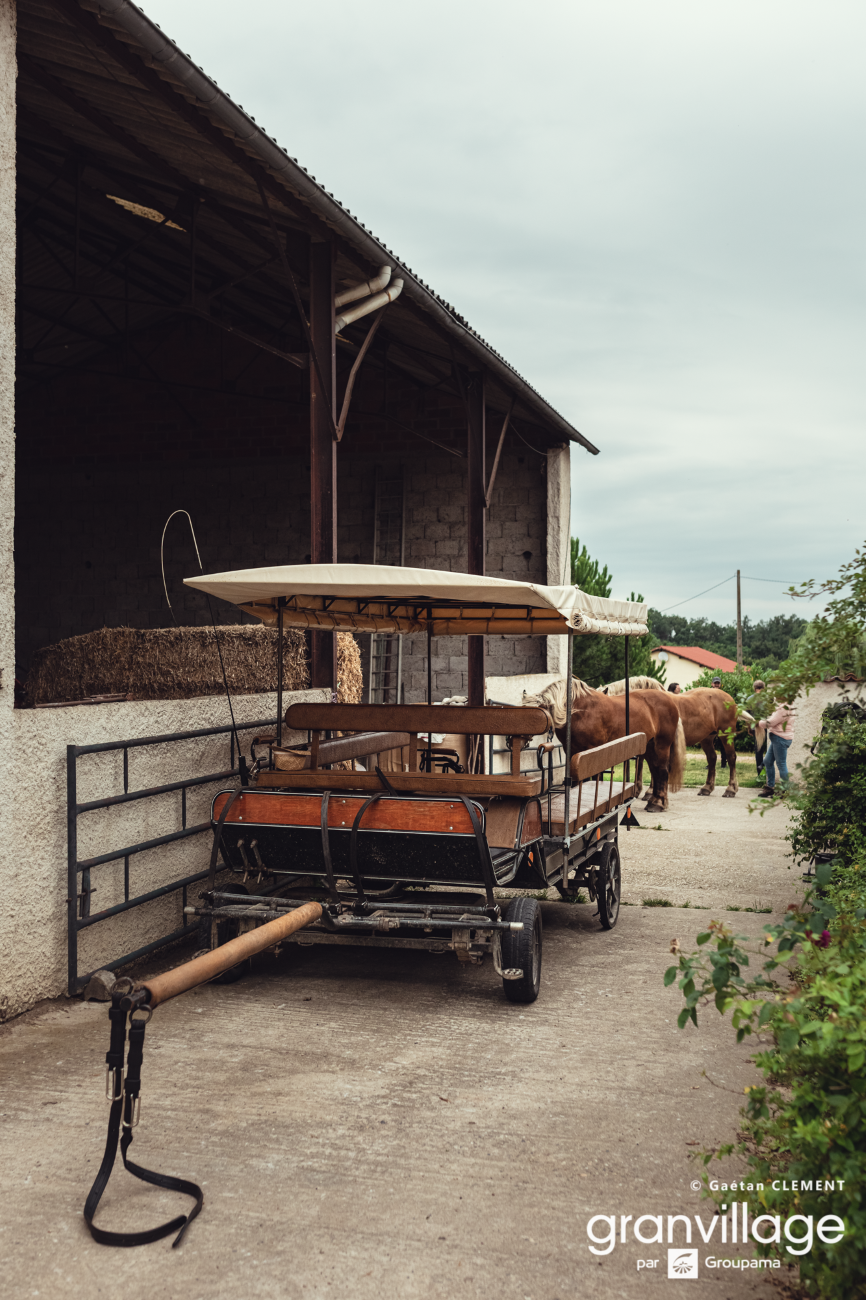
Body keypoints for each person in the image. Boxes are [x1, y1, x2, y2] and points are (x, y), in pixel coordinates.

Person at [758, 694, 796, 797]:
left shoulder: (784, 708)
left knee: (781, 764)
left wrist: (758, 723)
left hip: (780, 738)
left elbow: (771, 722)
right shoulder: (785, 706)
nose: (776, 695)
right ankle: (770, 788)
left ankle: (785, 791)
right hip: (778, 738)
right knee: (768, 761)